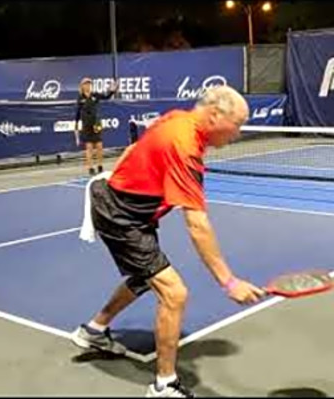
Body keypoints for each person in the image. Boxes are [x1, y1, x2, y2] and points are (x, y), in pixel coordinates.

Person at [72, 86, 266, 397]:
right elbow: (197, 224)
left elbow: (135, 149)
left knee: (143, 277)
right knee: (174, 293)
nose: (238, 133)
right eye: (238, 124)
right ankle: (164, 385)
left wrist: (122, 180)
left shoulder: (178, 119)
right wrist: (229, 282)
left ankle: (94, 331)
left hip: (130, 209)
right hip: (122, 216)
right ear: (216, 116)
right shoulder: (185, 145)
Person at [75, 77, 117, 176]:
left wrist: (112, 91)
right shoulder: (80, 99)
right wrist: (76, 129)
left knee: (99, 146)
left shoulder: (95, 95)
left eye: (89, 84)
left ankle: (100, 166)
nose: (88, 85)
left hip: (96, 125)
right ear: (82, 86)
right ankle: (90, 168)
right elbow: (77, 115)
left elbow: (106, 97)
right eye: (86, 84)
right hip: (86, 126)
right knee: (89, 148)